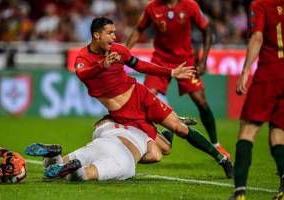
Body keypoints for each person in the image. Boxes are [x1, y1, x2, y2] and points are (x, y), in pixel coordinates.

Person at [73, 17, 233, 178]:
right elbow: (83, 74)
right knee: (162, 151)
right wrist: (102, 65)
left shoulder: (118, 51)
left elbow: (141, 65)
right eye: (109, 33)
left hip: (141, 96)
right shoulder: (83, 58)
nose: (114, 37)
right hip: (125, 115)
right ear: (96, 35)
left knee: (179, 128)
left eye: (114, 32)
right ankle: (163, 131)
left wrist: (170, 72)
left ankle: (222, 159)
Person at [126, 0, 230, 159]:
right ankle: (152, 139)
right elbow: (138, 29)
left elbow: (206, 29)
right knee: (147, 97)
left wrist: (203, 60)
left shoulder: (190, 5)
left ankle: (216, 145)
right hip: (160, 60)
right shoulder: (152, 7)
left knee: (201, 101)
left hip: (185, 60)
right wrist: (124, 53)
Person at [229, 0, 284, 199]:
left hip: (269, 74)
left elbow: (257, 38)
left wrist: (245, 71)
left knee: (247, 130)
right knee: (278, 132)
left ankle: (240, 192)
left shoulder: (260, 4)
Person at [25, 118, 162, 181]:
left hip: (101, 142)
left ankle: (53, 157)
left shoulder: (110, 124)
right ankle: (76, 170)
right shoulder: (144, 135)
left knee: (56, 167)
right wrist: (137, 156)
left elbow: (98, 125)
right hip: (123, 157)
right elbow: (156, 156)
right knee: (86, 173)